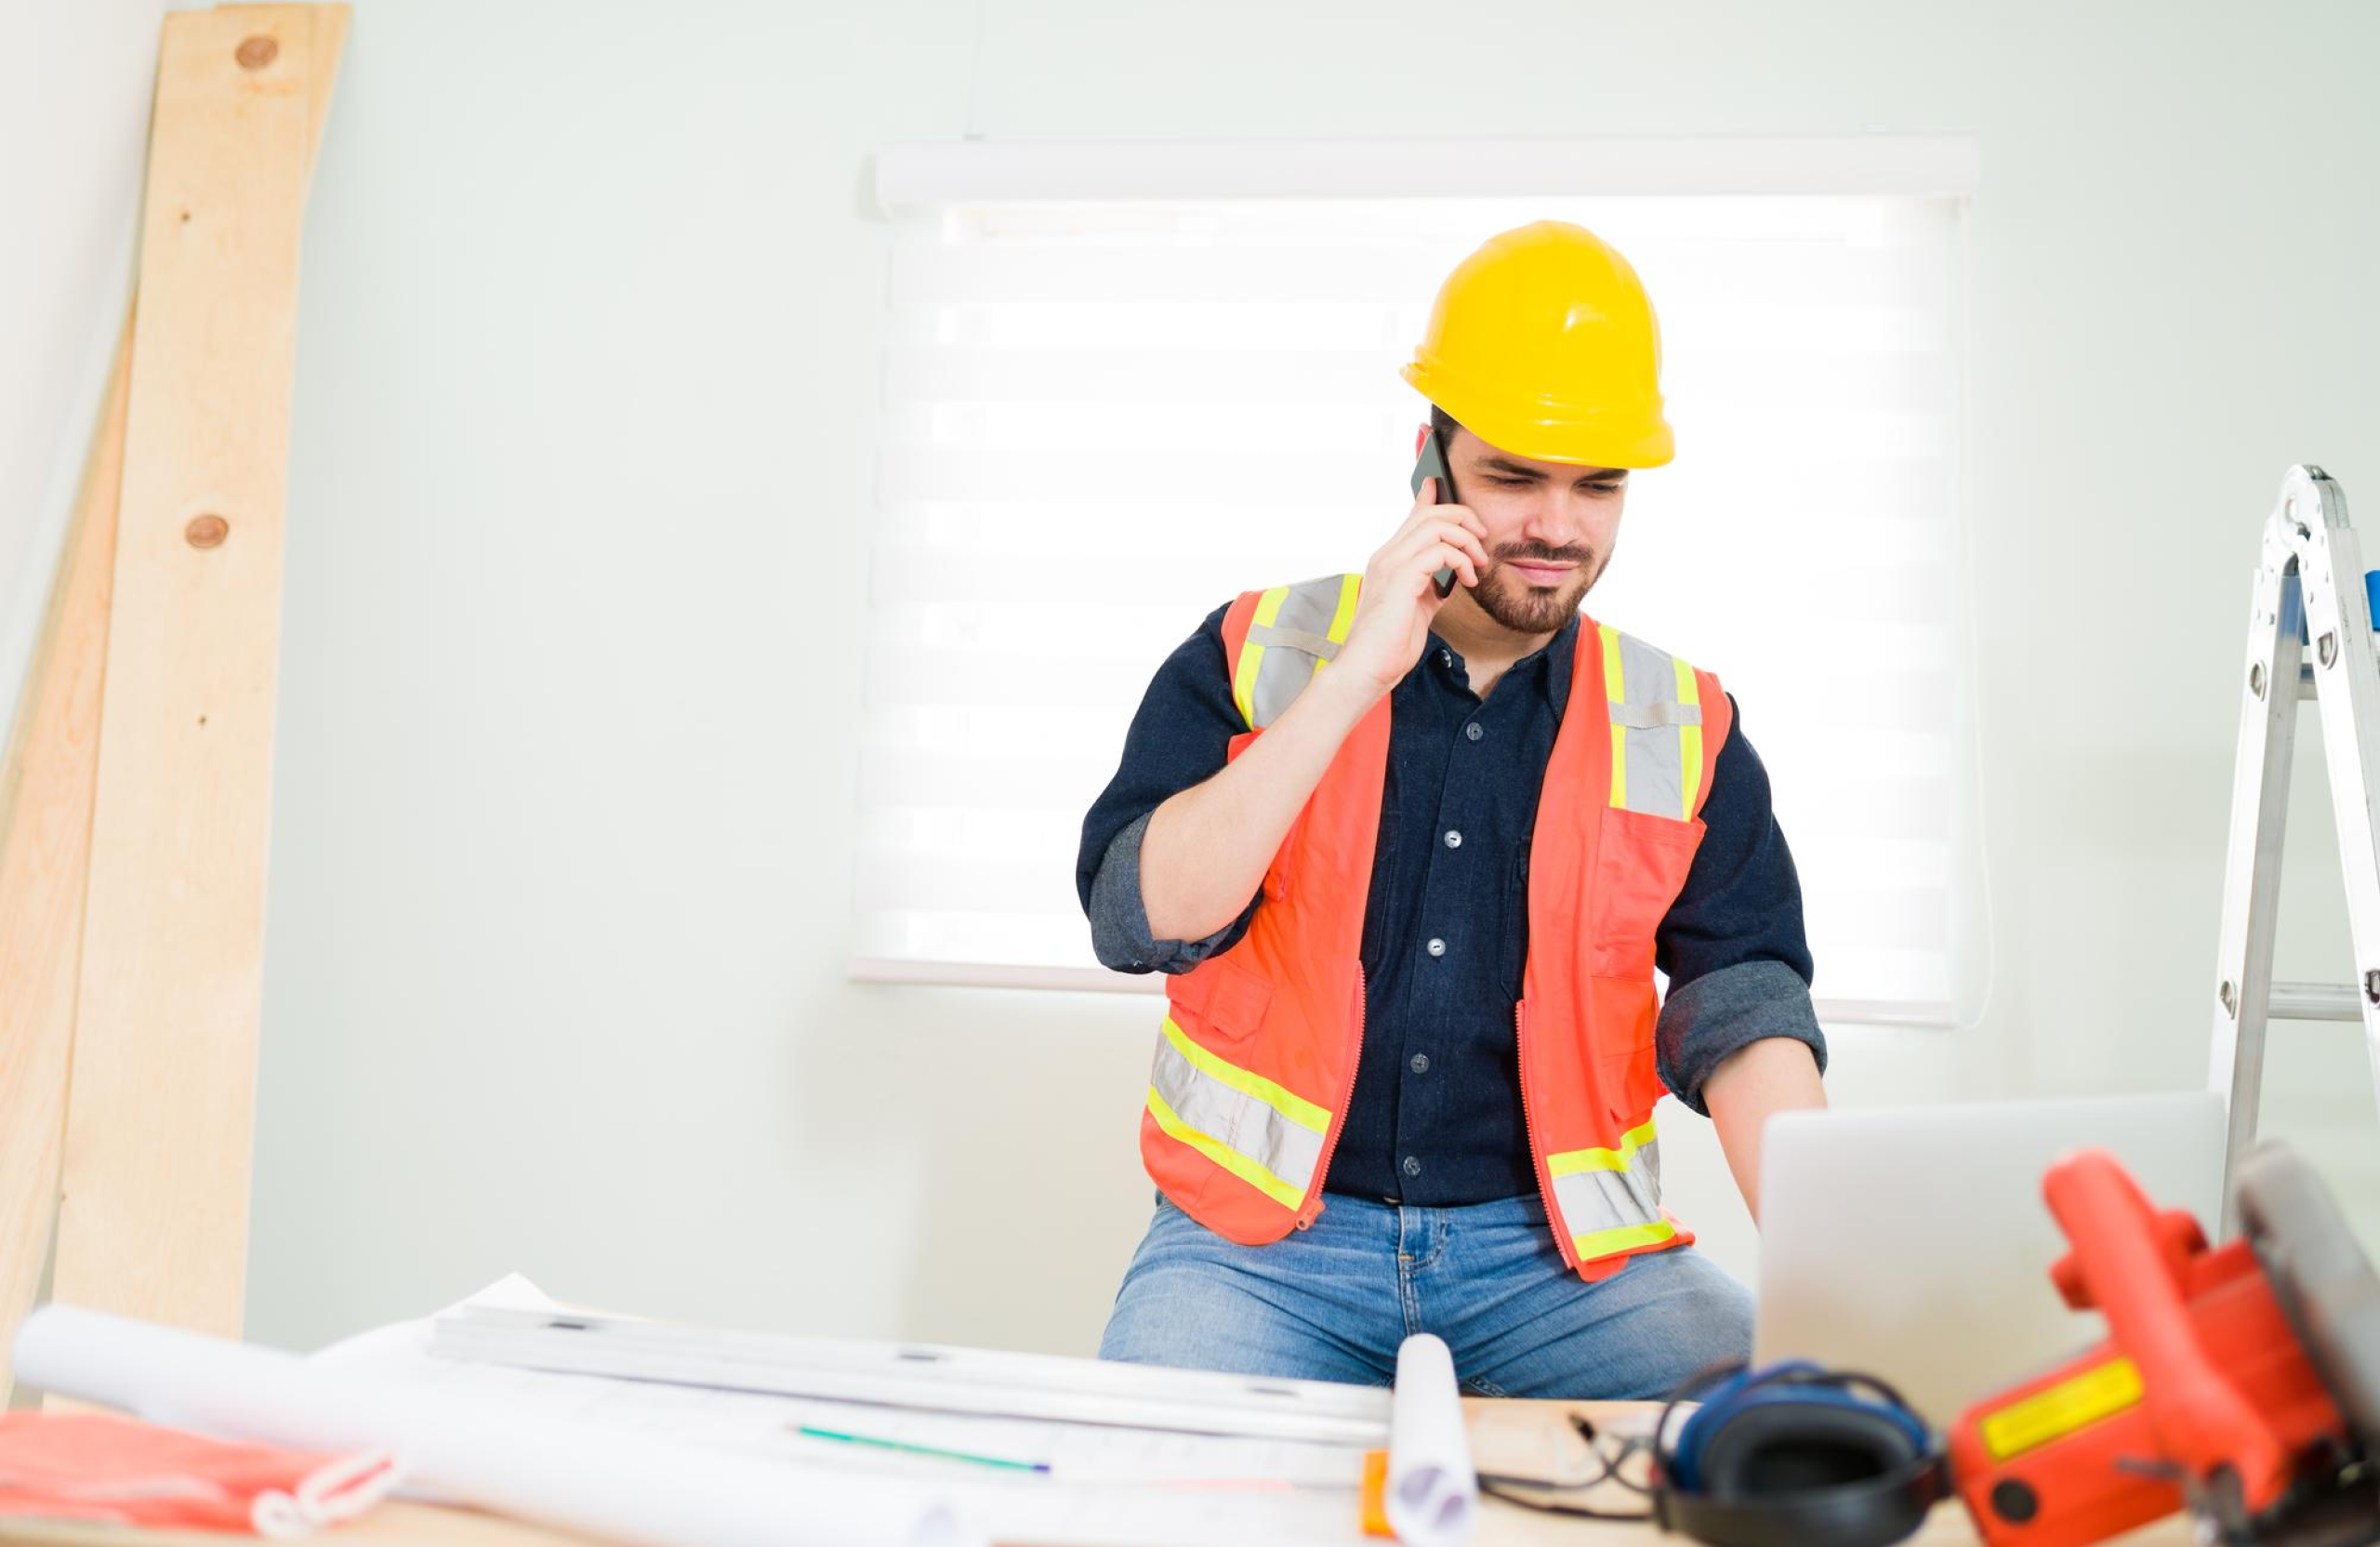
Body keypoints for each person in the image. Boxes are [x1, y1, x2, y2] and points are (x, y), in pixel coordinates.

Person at [1075, 221, 1827, 1400]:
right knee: (1148, 1491)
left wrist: (1842, 1261)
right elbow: (1142, 918)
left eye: (1597, 485)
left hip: (1552, 1267)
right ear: (1429, 464)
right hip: (1258, 1253)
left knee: (1797, 1430)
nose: (1556, 525)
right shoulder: (1256, 650)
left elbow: (1743, 1005)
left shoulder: (1682, 722)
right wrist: (1355, 674)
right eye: (1514, 475)